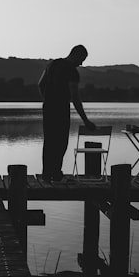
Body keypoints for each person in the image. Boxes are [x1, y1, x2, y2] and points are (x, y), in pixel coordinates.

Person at [38, 44, 95, 181]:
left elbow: (40, 84)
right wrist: (85, 120)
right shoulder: (72, 72)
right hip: (61, 109)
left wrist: (47, 99)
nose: (81, 63)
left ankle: (47, 174)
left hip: (48, 107)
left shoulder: (52, 64)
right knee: (61, 142)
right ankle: (56, 173)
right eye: (82, 59)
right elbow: (75, 97)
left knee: (49, 141)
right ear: (76, 54)